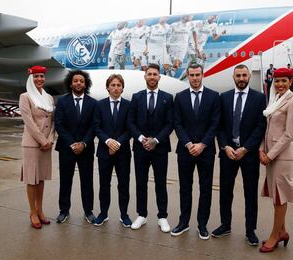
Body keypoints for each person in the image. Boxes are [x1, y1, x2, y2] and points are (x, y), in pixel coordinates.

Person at [214, 64, 266, 246]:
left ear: (249, 76)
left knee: (250, 193)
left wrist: (246, 148)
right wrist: (224, 146)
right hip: (228, 153)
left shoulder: (259, 99)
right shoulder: (224, 98)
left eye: (244, 75)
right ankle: (225, 224)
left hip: (248, 154)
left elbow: (261, 126)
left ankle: (250, 230)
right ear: (233, 77)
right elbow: (219, 126)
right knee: (225, 192)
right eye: (238, 76)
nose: (241, 78)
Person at [171, 63, 220, 240]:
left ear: (202, 75)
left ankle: (202, 224)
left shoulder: (214, 97)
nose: (195, 78)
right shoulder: (180, 97)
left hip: (206, 151)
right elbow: (177, 123)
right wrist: (188, 143)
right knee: (185, 188)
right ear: (188, 76)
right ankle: (183, 222)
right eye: (191, 75)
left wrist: (203, 144)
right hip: (185, 151)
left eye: (197, 75)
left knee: (205, 188)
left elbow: (215, 124)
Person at [259, 67, 293, 253]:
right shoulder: (275, 100)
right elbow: (267, 128)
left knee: (280, 197)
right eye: (277, 81)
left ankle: (274, 235)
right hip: (270, 155)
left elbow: (289, 134)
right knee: (276, 197)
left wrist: (270, 155)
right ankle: (283, 231)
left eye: (283, 81)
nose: (279, 84)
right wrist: (262, 149)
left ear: (290, 82)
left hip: (282, 157)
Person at [127, 63, 174, 232]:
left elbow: (170, 124)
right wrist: (141, 138)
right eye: (149, 74)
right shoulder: (136, 97)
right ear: (145, 76)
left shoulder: (167, 98)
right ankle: (142, 215)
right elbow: (130, 122)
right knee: (141, 182)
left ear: (159, 77)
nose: (152, 77)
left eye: (155, 74)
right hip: (140, 148)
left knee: (160, 183)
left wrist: (156, 140)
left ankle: (162, 216)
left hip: (160, 149)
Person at [54, 70, 97, 224]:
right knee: (65, 181)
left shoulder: (93, 103)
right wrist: (72, 143)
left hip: (86, 149)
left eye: (81, 81)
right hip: (67, 148)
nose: (78, 83)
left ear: (86, 84)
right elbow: (59, 124)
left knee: (87, 181)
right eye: (75, 81)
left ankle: (88, 211)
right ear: (70, 84)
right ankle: (64, 211)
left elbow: (94, 126)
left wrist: (83, 143)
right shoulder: (62, 102)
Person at [93, 74, 132, 227]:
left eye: (119, 85)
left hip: (123, 153)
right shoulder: (99, 105)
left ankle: (124, 214)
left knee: (123, 184)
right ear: (107, 87)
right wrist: (108, 142)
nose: (116, 88)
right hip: (104, 151)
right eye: (113, 85)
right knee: (104, 184)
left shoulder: (128, 105)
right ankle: (103, 213)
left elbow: (130, 129)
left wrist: (117, 143)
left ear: (122, 88)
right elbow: (96, 127)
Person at [19, 65, 55, 229]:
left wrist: (50, 140)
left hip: (47, 144)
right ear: (31, 79)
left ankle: (40, 210)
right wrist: (42, 140)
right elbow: (29, 122)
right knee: (32, 180)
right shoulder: (25, 96)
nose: (39, 79)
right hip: (33, 144)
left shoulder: (48, 98)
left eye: (41, 76)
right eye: (36, 77)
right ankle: (32, 212)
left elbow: (52, 121)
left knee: (41, 179)